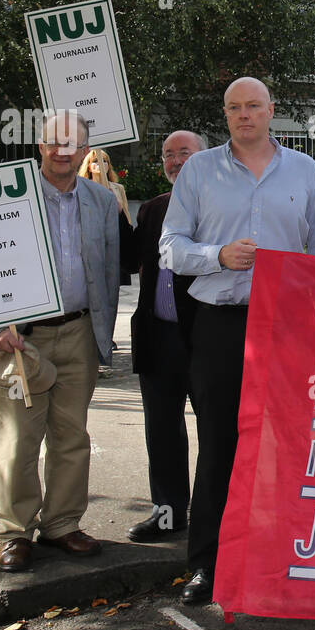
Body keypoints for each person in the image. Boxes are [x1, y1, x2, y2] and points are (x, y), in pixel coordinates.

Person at [159, 76, 315, 605]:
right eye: (234, 108)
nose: (243, 115)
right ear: (226, 115)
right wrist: (218, 256)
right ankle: (206, 565)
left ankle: (281, 556)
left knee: (285, 442)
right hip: (221, 325)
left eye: (253, 106)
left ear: (271, 110)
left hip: (284, 326)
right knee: (218, 445)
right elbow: (170, 246)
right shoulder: (199, 169)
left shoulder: (304, 170)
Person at [0, 110, 120, 572]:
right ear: (39, 145)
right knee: (17, 441)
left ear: (85, 150)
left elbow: (109, 272)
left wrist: (102, 337)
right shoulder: (5, 198)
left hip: (77, 336)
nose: (62, 152)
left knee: (71, 437)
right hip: (20, 342)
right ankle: (15, 532)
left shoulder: (100, 200)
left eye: (72, 144)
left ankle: (62, 524)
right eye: (53, 142)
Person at [126, 130, 204, 543]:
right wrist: (113, 204)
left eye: (185, 153)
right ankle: (169, 515)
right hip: (158, 339)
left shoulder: (220, 207)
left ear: (206, 159)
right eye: (169, 155)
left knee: (216, 432)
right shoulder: (152, 210)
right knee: (162, 431)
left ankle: (218, 518)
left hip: (206, 339)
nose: (176, 161)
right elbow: (129, 259)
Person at [79, 147, 132, 225]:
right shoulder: (81, 188)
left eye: (104, 161)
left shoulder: (119, 188)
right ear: (89, 167)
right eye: (95, 161)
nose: (100, 163)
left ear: (108, 166)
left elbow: (126, 216)